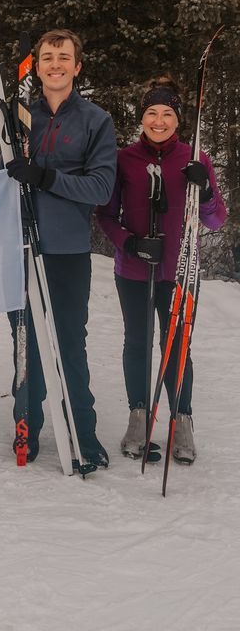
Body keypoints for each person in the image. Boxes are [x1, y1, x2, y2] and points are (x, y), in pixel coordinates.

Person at [96, 76, 227, 464]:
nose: (158, 120)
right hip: (134, 271)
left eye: (167, 113)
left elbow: (216, 219)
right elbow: (106, 216)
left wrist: (203, 191)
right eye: (151, 112)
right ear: (142, 118)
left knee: (177, 347)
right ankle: (139, 416)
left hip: (181, 271)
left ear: (178, 119)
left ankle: (181, 420)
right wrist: (130, 243)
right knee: (137, 342)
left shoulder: (195, 158)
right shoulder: (124, 159)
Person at [6, 29, 117, 468]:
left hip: (67, 250)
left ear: (77, 66)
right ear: (37, 65)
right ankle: (26, 430)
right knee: (27, 342)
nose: (55, 64)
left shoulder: (95, 120)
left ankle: (82, 435)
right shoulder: (19, 117)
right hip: (21, 245)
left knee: (69, 342)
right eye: (47, 56)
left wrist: (47, 178)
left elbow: (102, 187)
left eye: (63, 56)